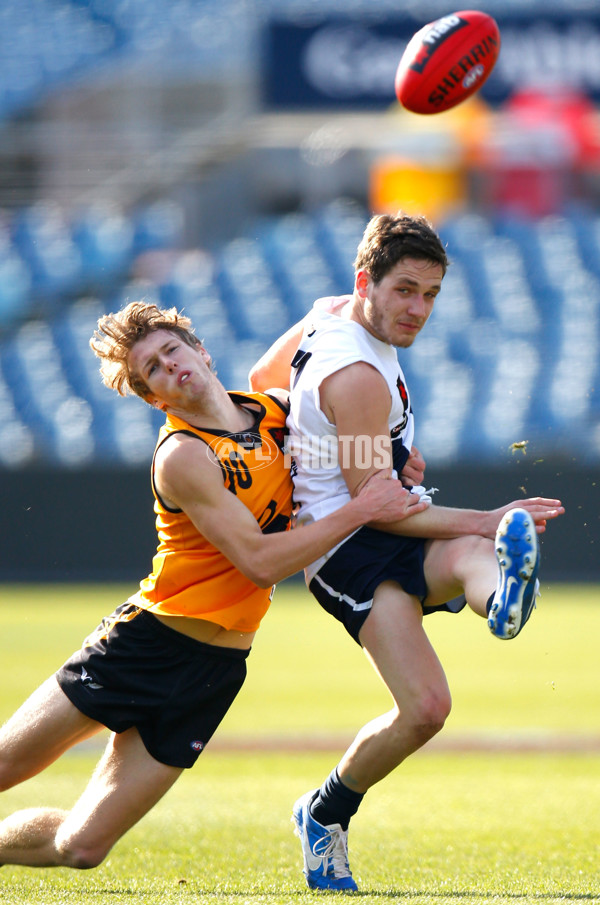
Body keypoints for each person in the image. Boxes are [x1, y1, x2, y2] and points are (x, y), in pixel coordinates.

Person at [0, 301, 426, 872]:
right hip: (141, 646)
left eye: (172, 349)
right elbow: (259, 562)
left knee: (81, 848)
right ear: (154, 398)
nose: (169, 365)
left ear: (200, 351)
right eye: (152, 368)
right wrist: (366, 507)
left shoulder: (278, 414)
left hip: (213, 673)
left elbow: (347, 464)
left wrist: (393, 468)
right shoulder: (182, 456)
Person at [249, 212, 565, 892]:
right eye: (405, 291)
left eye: (430, 293)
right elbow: (382, 508)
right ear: (366, 281)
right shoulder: (357, 376)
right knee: (426, 708)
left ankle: (503, 597)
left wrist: (355, 442)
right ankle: (321, 815)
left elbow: (262, 374)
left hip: (377, 510)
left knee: (467, 555)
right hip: (347, 551)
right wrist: (484, 513)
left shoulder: (331, 312)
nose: (418, 309)